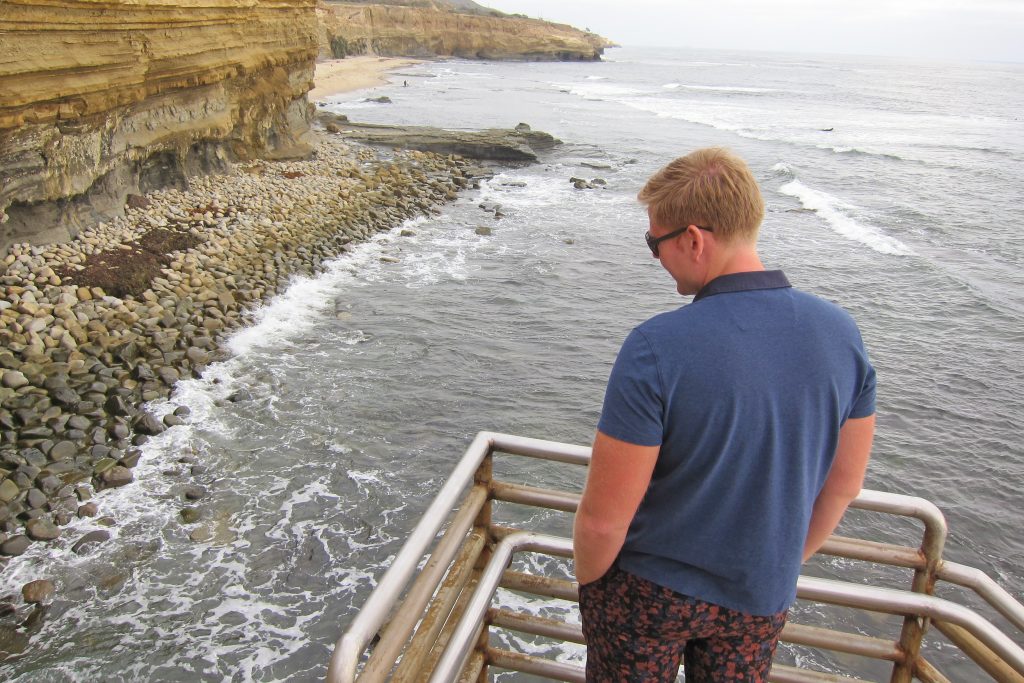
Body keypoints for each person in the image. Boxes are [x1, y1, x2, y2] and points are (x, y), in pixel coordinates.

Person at [573, 147, 876, 682]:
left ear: (693, 238)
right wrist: (778, 568)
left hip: (646, 594)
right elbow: (843, 485)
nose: (655, 258)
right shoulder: (840, 334)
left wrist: (593, 588)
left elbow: (603, 519)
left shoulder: (654, 347)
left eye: (654, 243)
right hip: (758, 594)